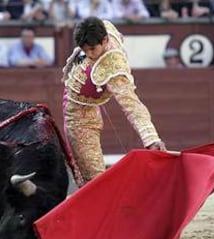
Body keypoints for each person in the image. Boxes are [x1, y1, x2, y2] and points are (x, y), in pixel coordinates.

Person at [62, 17, 166, 185]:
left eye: (92, 49)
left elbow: (132, 105)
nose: (88, 54)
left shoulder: (113, 69)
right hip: (82, 108)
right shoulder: (106, 28)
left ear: (105, 40)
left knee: (94, 181)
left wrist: (151, 138)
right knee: (90, 176)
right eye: (84, 49)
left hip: (80, 118)